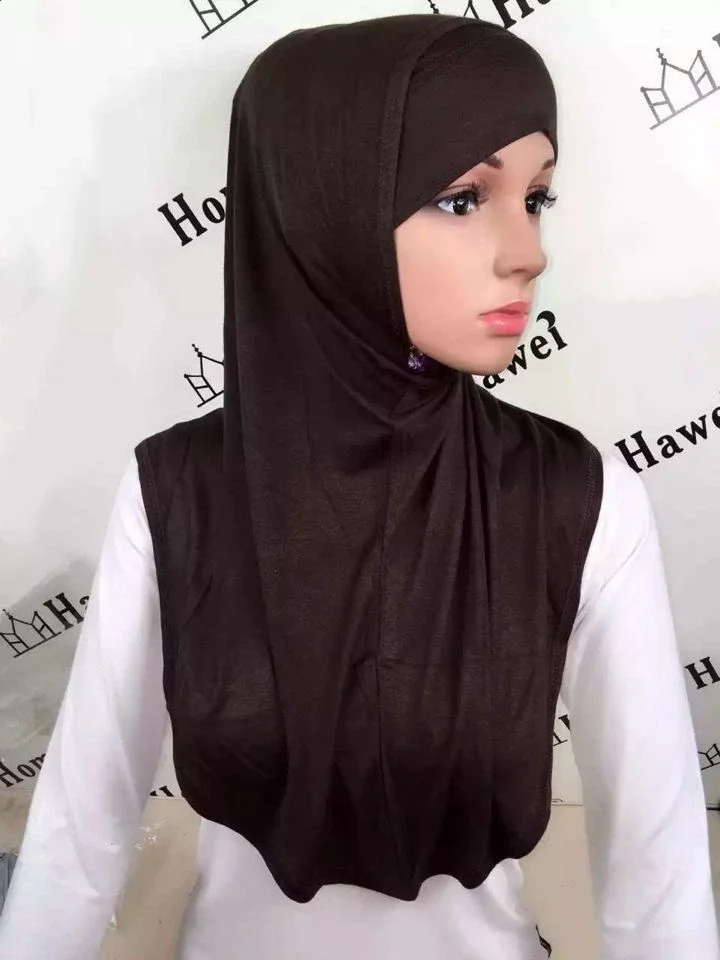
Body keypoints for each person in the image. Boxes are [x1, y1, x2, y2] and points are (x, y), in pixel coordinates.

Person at [0, 12, 718, 960]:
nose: (528, 250)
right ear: (322, 206)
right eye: (463, 199)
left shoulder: (572, 500)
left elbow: (655, 863)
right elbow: (81, 824)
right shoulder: (179, 492)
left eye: (536, 197)